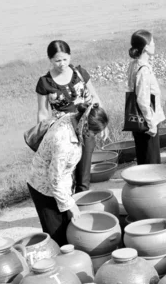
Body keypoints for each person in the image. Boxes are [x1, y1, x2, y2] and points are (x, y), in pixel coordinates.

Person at [27, 103, 109, 246]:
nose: (94, 137)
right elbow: (55, 180)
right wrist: (70, 205)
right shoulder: (63, 141)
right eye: (93, 133)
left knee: (68, 229)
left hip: (60, 183)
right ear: (84, 126)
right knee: (57, 237)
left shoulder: (74, 119)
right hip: (44, 187)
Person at [36, 40, 105, 194]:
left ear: (70, 56)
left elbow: (95, 98)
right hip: (63, 133)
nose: (62, 64)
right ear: (50, 60)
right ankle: (67, 204)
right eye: (57, 60)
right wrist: (42, 136)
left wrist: (102, 123)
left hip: (86, 127)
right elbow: (42, 111)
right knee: (66, 174)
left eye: (65, 59)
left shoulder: (80, 73)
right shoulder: (45, 82)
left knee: (83, 173)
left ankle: (82, 204)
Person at [126, 30, 166, 165]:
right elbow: (143, 99)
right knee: (151, 160)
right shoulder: (143, 70)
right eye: (152, 42)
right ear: (146, 47)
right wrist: (151, 124)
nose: (154, 45)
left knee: (143, 157)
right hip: (146, 121)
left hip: (137, 120)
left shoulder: (133, 65)